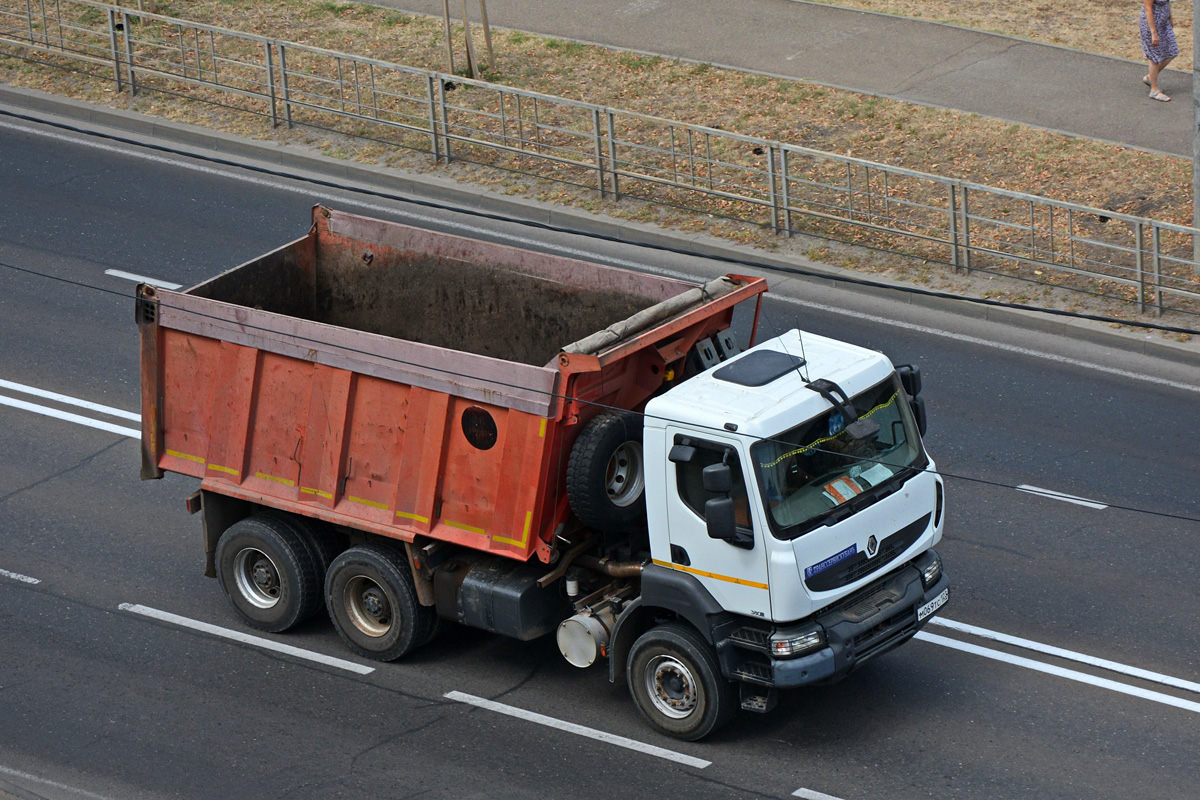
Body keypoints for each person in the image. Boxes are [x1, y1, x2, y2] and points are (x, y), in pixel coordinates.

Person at [1140, 0, 1178, 102]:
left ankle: (1150, 77)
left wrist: (1170, 17)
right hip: (1151, 26)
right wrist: (1153, 33)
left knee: (1172, 52)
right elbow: (1148, 9)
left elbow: (1167, 2)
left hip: (1164, 24)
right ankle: (1154, 90)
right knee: (1155, 57)